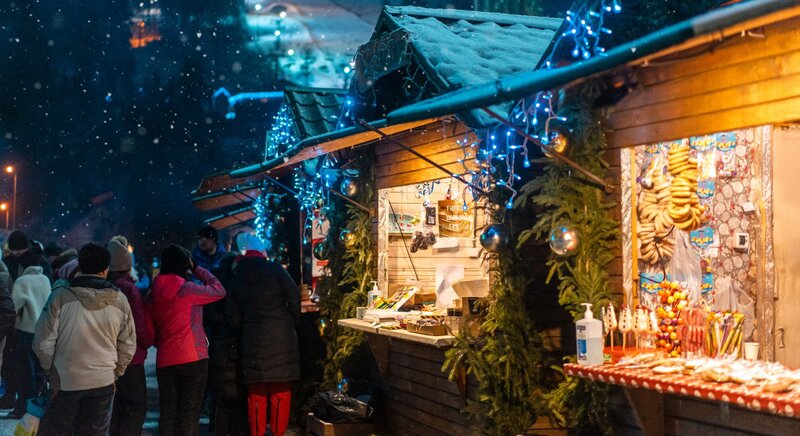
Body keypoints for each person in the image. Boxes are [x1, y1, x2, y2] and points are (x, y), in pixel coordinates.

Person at [33, 242, 136, 436]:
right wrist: (115, 372)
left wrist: (50, 371)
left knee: (58, 431)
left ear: (79, 266)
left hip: (65, 380)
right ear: (106, 270)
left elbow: (42, 342)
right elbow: (128, 344)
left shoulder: (59, 297)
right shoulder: (119, 300)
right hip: (102, 381)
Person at [146, 244, 225, 436]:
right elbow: (218, 289)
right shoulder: (188, 290)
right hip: (192, 358)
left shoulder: (152, 293)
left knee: (168, 413)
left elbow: (150, 329)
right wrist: (197, 268)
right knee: (189, 413)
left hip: (165, 359)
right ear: (184, 265)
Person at [226, 248, 301, 436]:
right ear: (263, 257)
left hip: (253, 339)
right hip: (282, 338)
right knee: (280, 393)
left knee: (256, 395)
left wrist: (245, 329)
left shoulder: (237, 277)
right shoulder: (276, 269)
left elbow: (231, 315)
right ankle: (278, 433)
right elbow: (294, 297)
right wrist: (291, 322)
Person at [107, 236, 151, 436]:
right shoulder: (129, 289)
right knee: (134, 410)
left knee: (115, 411)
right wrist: (147, 341)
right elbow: (138, 326)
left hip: (108, 358)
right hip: (131, 359)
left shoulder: (103, 287)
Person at [4, 263, 50, 418]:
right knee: (39, 373)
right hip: (43, 332)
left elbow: (14, 306)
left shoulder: (22, 281)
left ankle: (22, 407)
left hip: (25, 332)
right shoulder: (45, 280)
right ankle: (36, 409)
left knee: (24, 374)